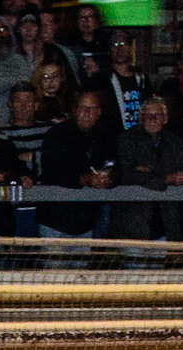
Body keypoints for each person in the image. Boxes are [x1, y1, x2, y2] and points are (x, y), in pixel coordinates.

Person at [112, 95, 183, 241]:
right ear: (141, 118)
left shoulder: (176, 143)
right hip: (134, 222)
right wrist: (167, 178)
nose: (151, 119)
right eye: (147, 116)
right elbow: (127, 175)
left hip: (167, 222)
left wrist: (148, 172)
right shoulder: (127, 140)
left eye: (156, 116)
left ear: (165, 119)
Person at [37, 87, 112, 239]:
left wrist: (108, 178)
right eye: (82, 107)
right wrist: (83, 179)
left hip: (86, 223)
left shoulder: (104, 137)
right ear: (74, 110)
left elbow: (113, 165)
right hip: (55, 220)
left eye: (92, 108)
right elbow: (51, 173)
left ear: (99, 112)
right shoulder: (57, 135)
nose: (87, 113)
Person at [89, 27, 149, 136]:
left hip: (140, 138)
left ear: (130, 47)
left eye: (123, 43)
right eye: (115, 45)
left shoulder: (142, 78)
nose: (119, 48)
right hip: (112, 138)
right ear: (110, 50)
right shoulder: (100, 80)